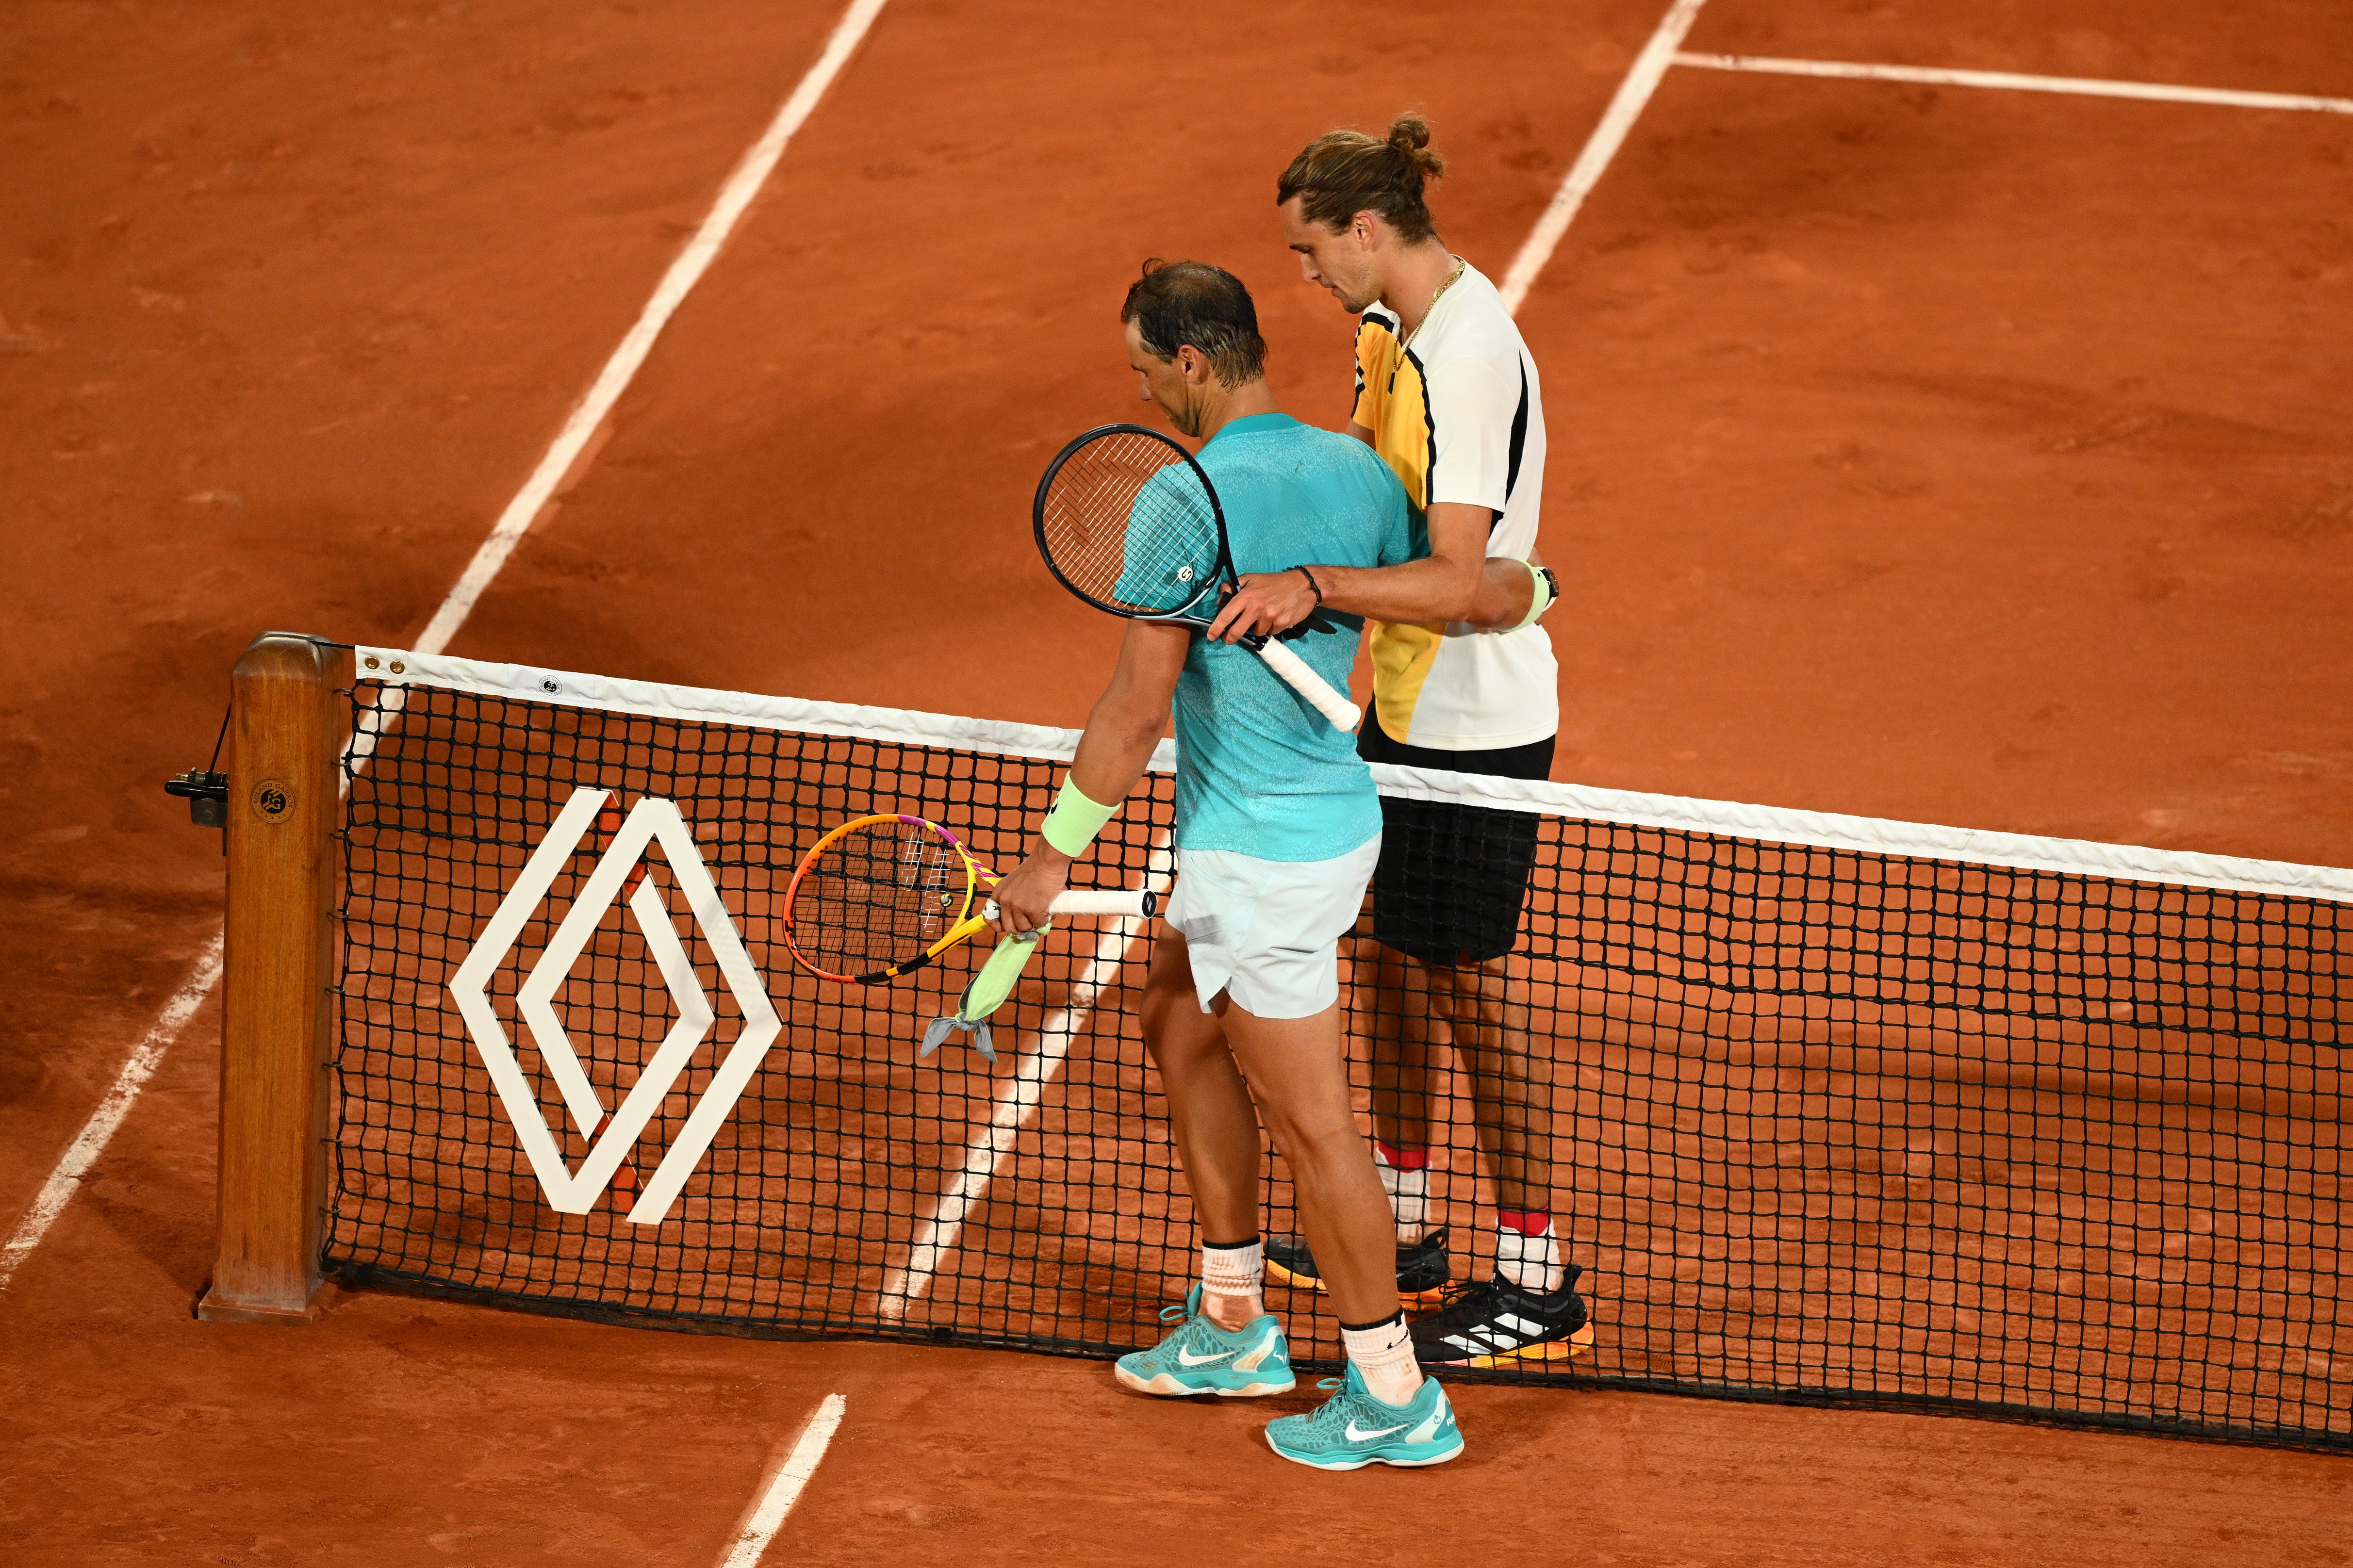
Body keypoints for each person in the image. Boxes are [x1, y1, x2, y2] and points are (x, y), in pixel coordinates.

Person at [989, 260, 1463, 1469]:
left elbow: (1136, 711)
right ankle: (1234, 1317)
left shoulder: (1180, 495)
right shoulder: (1357, 472)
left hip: (1262, 858)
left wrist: (1048, 861)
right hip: (1326, 821)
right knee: (1174, 1017)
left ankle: (1393, 1391)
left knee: (1317, 1129)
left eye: (1145, 368)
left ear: (1190, 364)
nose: (1141, 389)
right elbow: (1423, 592)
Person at [1205, 114, 1592, 1369]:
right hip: (1409, 712)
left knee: (1469, 984)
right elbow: (1381, 498)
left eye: (1313, 253)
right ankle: (1407, 1218)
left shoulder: (1469, 355)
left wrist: (1315, 584)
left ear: (1369, 230)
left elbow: (1455, 572)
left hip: (1481, 730)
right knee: (1390, 958)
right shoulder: (1391, 334)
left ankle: (1536, 1279)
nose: (1305, 279)